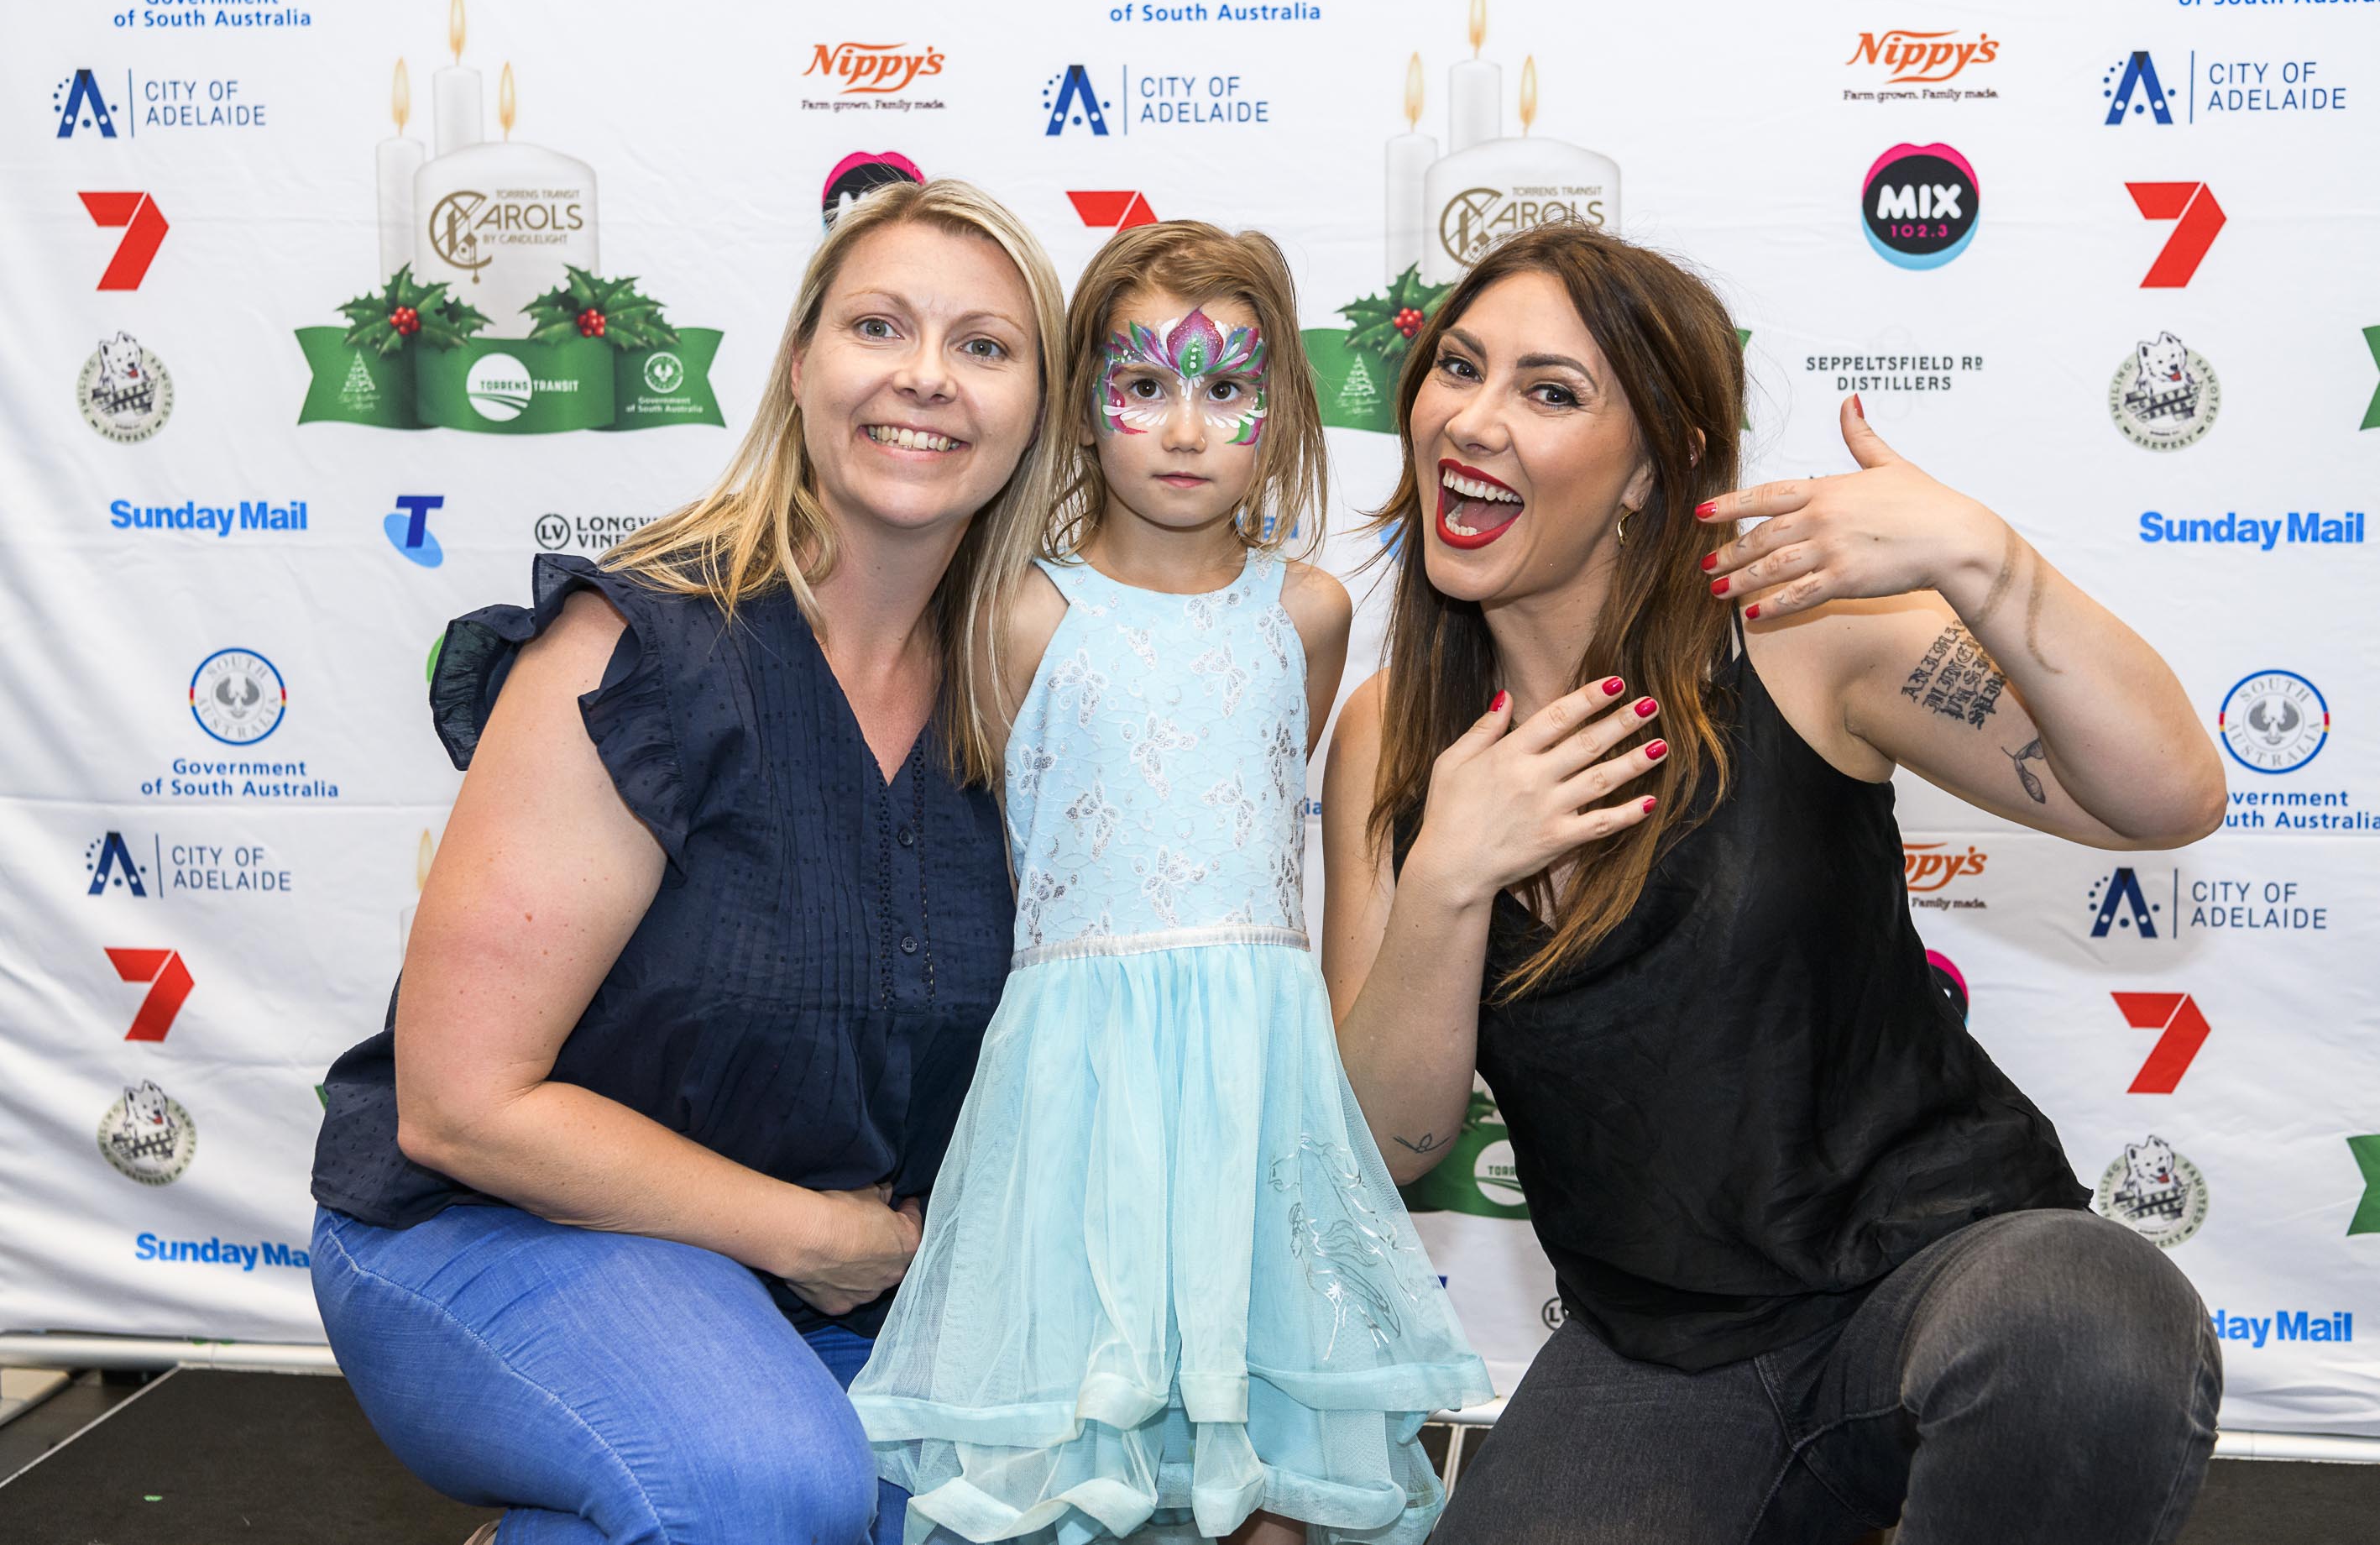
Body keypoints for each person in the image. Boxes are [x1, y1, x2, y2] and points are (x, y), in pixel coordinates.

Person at [1318, 223, 2227, 1544]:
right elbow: (1383, 1145)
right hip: (1658, 1353)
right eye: (1460, 367)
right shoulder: (1392, 731)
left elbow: (2170, 793)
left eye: (1551, 391)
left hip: (1938, 1267)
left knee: (2090, 1321)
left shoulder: (1797, 635)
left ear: (1651, 468)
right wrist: (1448, 879)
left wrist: (1986, 559)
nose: (1475, 418)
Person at [306, 178, 1070, 1545]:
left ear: (1037, 408)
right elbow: (461, 1106)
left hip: (822, 1293)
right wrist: (810, 1234)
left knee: (1016, 1515)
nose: (926, 376)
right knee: (765, 1485)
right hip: (502, 1227)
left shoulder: (1028, 695)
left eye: (984, 345)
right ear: (800, 362)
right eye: (879, 326)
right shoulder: (640, 648)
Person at [848, 220, 1493, 1545]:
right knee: (1064, 1463)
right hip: (1077, 1090)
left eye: (1226, 386)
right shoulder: (1017, 613)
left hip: (1260, 1089)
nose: (1186, 428)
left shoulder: (1309, 613)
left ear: (1282, 407)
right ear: (1084, 404)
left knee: (1272, 1467)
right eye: (1143, 384)